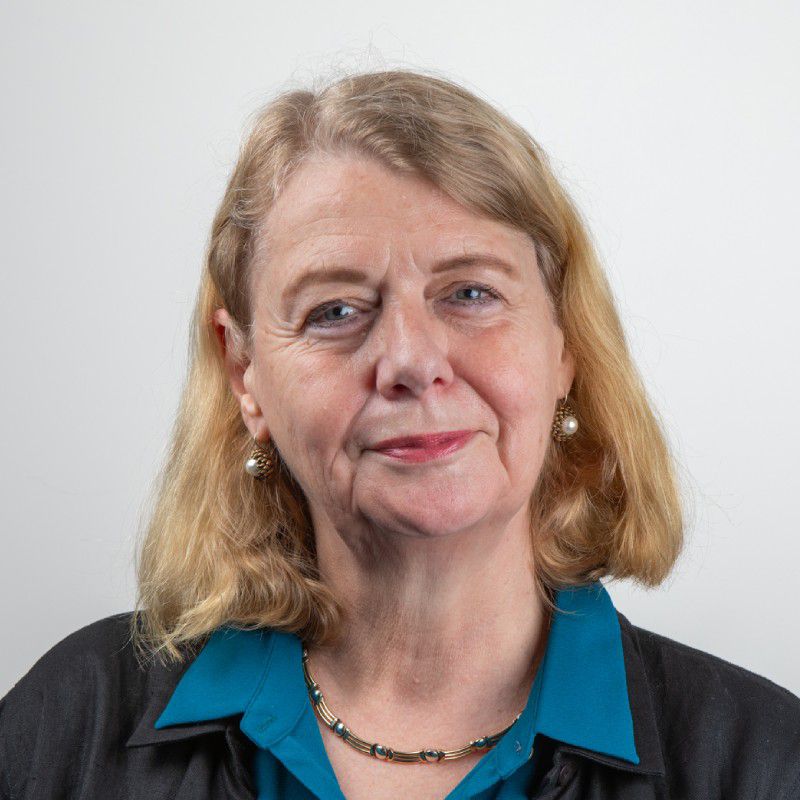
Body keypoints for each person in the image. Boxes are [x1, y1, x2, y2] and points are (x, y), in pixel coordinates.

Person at [1, 68, 798, 800]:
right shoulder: (65, 728)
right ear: (245, 375)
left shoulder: (762, 761)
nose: (412, 362)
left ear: (565, 348)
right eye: (335, 311)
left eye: (471, 293)